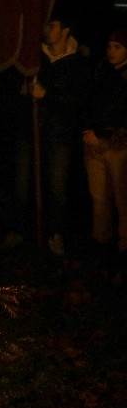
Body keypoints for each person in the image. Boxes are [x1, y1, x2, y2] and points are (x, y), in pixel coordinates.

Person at [17, 17, 91, 256]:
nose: (47, 29)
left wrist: (46, 96)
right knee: (23, 182)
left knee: (57, 186)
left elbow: (76, 101)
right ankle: (23, 231)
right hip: (32, 131)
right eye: (46, 24)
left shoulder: (76, 63)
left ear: (66, 30)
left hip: (60, 133)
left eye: (53, 25)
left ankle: (55, 234)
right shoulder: (36, 58)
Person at [81, 29, 127, 263]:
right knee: (99, 197)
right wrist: (88, 131)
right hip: (94, 141)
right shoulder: (100, 72)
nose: (112, 51)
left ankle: (123, 245)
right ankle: (101, 244)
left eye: (117, 47)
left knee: (122, 197)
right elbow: (88, 102)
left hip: (118, 144)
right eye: (110, 46)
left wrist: (114, 135)